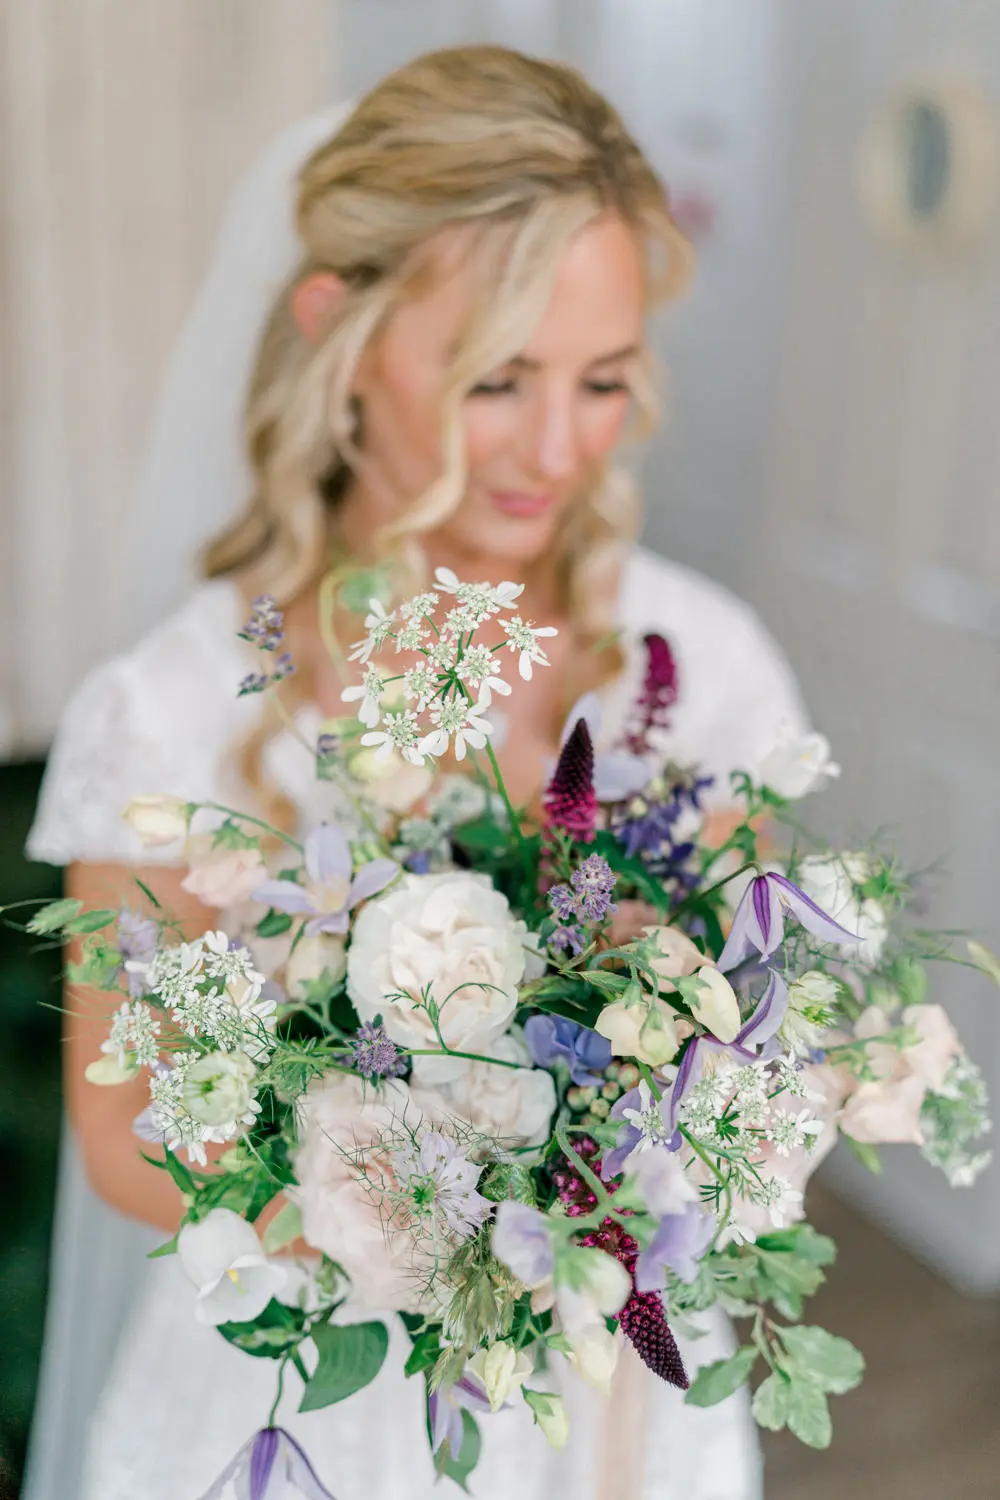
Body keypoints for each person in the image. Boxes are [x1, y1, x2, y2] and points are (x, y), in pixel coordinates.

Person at [27, 45, 808, 1500]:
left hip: (617, 1397)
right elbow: (123, 1134)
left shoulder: (709, 667)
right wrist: (409, 1213)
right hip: (295, 1407)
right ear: (338, 328)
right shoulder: (175, 712)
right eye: (497, 379)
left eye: (605, 378)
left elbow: (764, 1034)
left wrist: (677, 1144)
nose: (559, 447)